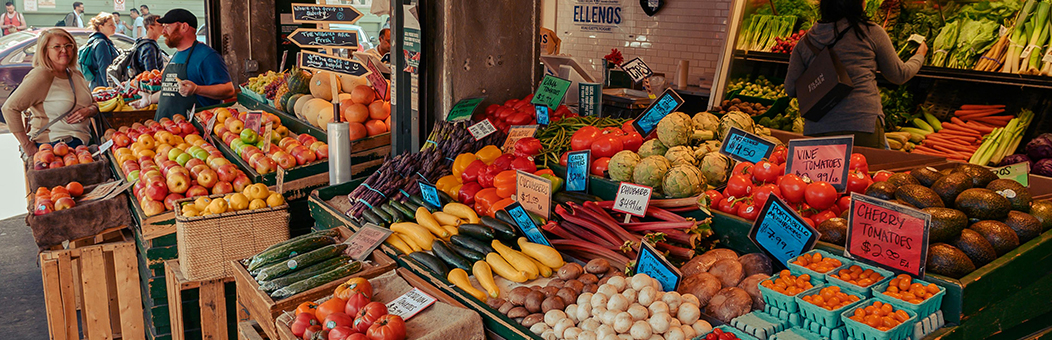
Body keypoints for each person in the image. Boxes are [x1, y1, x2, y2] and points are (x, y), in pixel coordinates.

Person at [784, 0, 927, 148]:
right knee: (864, 171)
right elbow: (899, 75)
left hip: (817, 128)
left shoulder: (805, 42)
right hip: (862, 125)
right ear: (858, 4)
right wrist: (919, 55)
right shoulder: (871, 32)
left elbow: (790, 88)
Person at [2, 29, 98, 156]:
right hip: (54, 147)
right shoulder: (41, 75)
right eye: (57, 46)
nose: (64, 50)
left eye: (68, 46)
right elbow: (9, 108)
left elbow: (94, 103)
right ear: (45, 51)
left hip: (80, 146)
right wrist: (27, 145)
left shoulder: (75, 74)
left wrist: (89, 110)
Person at [133, 9, 233, 120]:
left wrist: (197, 89)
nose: (163, 32)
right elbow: (171, 89)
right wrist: (150, 99)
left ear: (184, 27)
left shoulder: (207, 56)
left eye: (167, 27)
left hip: (190, 132)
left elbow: (228, 90)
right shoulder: (177, 55)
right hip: (164, 130)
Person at [80, 12, 118, 88]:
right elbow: (104, 68)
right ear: (101, 27)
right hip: (102, 87)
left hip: (98, 85)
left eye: (114, 24)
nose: (114, 27)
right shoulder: (101, 43)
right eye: (110, 25)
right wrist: (110, 89)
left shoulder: (100, 41)